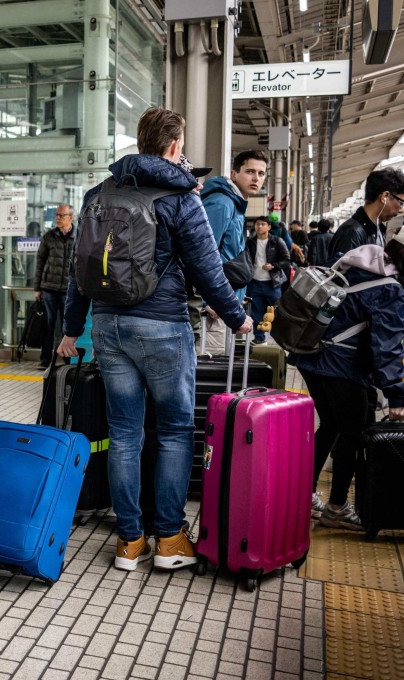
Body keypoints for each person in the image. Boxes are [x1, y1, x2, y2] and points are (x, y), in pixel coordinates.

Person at [57, 107, 252, 573]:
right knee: (173, 431)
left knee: (124, 433)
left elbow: (78, 272)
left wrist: (70, 328)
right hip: (163, 326)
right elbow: (207, 269)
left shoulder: (98, 193)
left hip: (108, 327)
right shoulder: (181, 197)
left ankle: (129, 541)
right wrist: (237, 317)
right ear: (173, 147)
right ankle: (168, 539)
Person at [289, 230, 404, 529]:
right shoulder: (389, 288)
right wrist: (397, 396)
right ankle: (336, 506)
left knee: (331, 425)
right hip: (341, 365)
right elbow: (387, 346)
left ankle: (303, 495)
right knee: (352, 433)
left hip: (310, 353)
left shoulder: (364, 258)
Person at [199, 149, 268, 353]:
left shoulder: (235, 204)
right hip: (213, 312)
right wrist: (207, 302)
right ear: (234, 174)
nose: (256, 178)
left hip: (224, 307)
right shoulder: (222, 204)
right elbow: (199, 255)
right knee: (209, 375)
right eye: (250, 171)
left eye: (261, 173)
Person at [327, 168, 404, 263]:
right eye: (401, 203)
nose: (401, 210)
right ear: (385, 197)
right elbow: (341, 274)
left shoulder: (378, 229)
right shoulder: (351, 232)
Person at [33, 204, 75, 369]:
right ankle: (45, 359)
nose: (58, 218)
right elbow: (40, 262)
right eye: (57, 215)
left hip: (68, 290)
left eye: (61, 215)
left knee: (68, 326)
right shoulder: (49, 237)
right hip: (49, 288)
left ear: (70, 217)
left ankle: (66, 360)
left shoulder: (78, 236)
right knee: (48, 325)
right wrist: (37, 288)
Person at [246, 216, 290, 345]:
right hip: (254, 282)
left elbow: (287, 261)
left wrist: (273, 266)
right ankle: (259, 337)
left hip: (272, 283)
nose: (260, 226)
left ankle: (279, 338)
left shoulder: (277, 241)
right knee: (256, 312)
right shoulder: (250, 242)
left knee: (275, 312)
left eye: (263, 224)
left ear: (269, 227)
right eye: (257, 224)